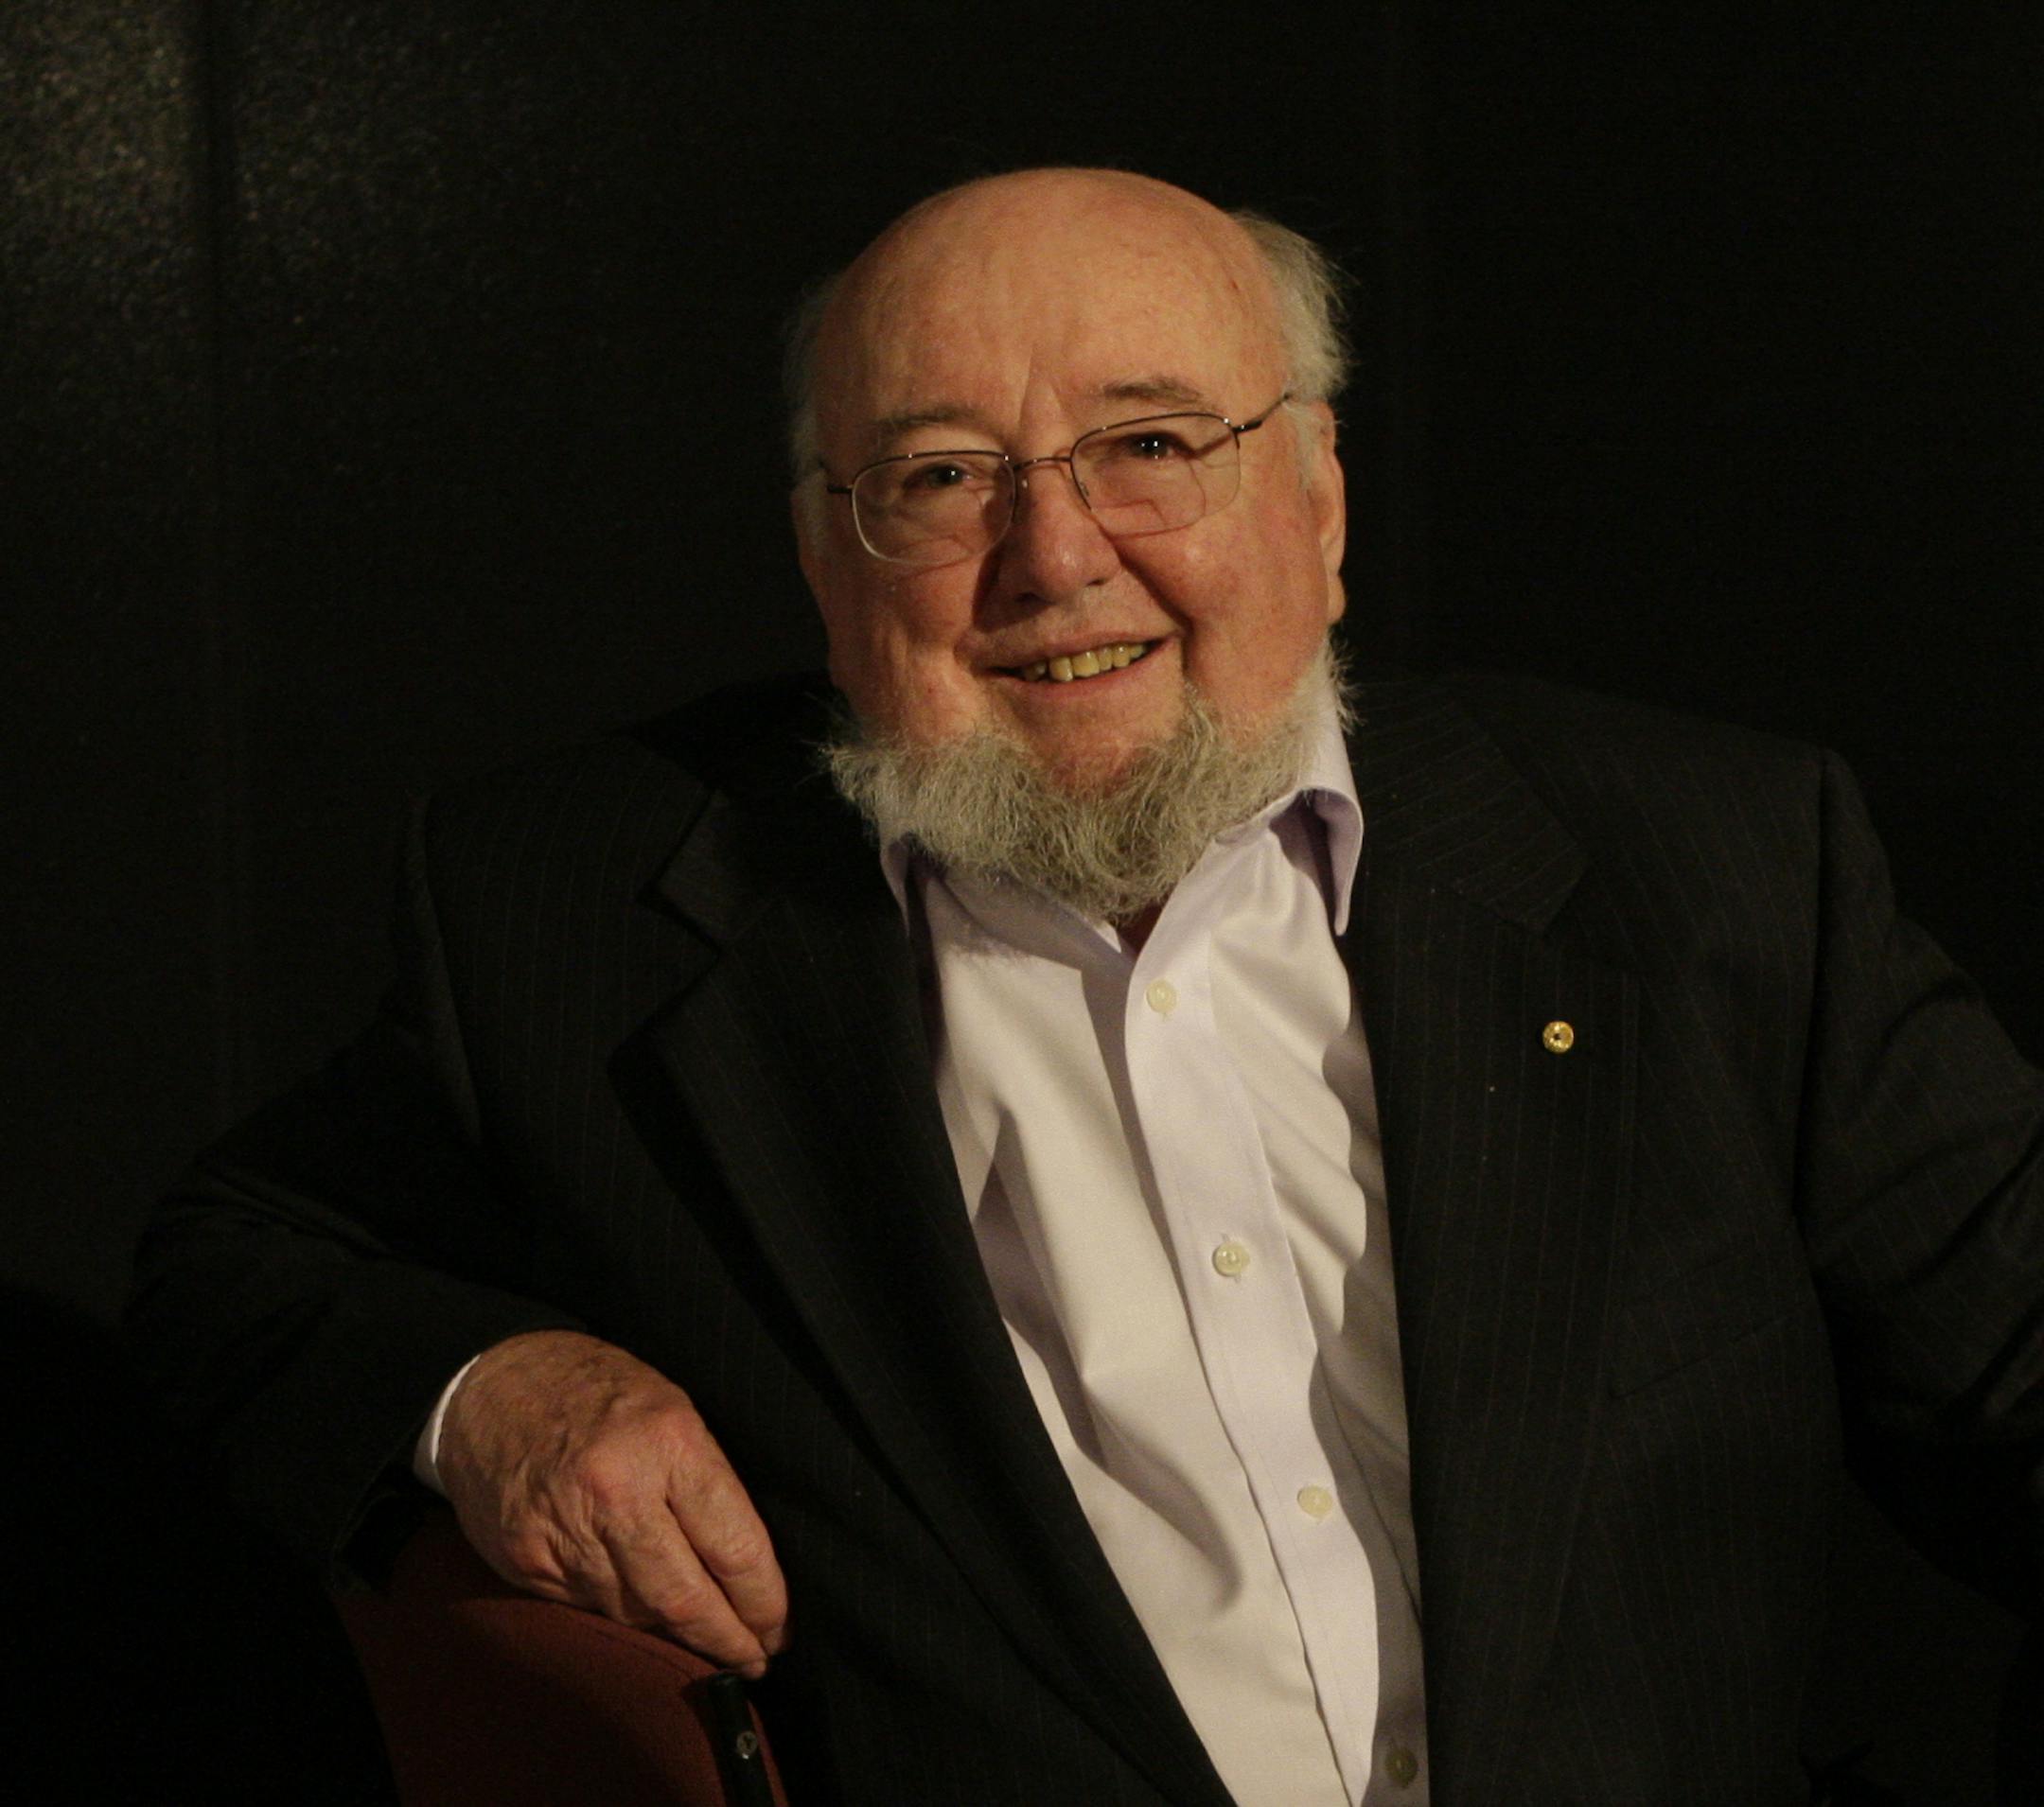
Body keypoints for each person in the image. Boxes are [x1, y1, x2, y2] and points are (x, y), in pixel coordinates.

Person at [129, 168, 2043, 1806]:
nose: (1055, 557)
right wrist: (497, 1391)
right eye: (942, 474)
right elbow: (233, 1258)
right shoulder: (574, 910)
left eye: (1151, 445)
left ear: (1321, 500)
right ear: (825, 554)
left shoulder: (1705, 865)